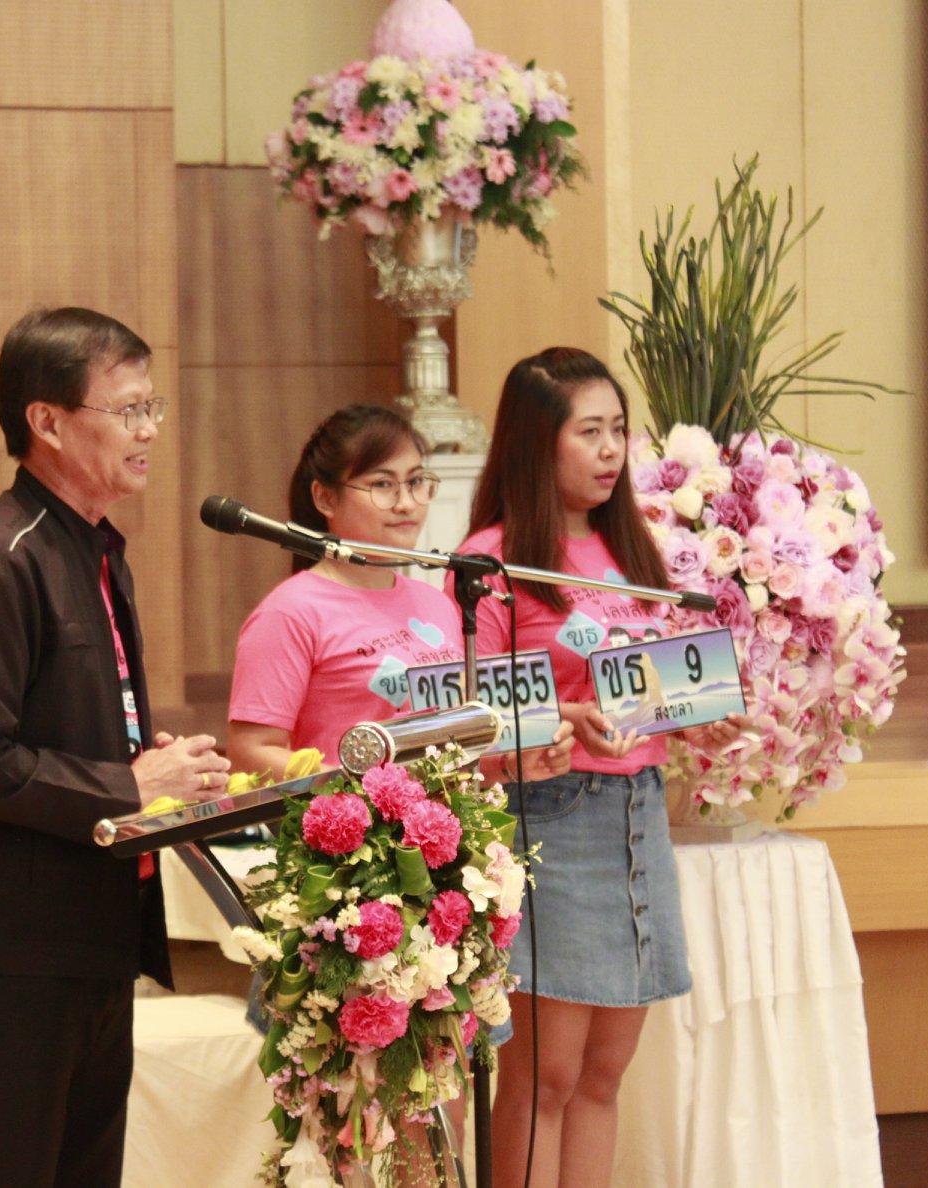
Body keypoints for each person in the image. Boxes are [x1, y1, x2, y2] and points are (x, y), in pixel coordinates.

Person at [0, 307, 230, 1187]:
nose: (149, 430)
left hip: (91, 937)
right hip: (14, 952)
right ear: (46, 422)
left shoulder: (95, 550)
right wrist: (130, 784)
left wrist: (152, 763)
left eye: (152, 407)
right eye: (126, 411)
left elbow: (64, 729)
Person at [461, 348, 742, 1188]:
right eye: (590, 432)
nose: (612, 449)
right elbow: (469, 718)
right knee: (544, 1075)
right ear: (536, 441)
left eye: (619, 429)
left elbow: (646, 687)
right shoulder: (492, 559)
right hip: (549, 819)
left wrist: (700, 713)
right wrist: (555, 720)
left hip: (637, 814)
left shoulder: (630, 547)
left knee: (603, 1073)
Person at [227, 403, 572, 788]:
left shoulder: (436, 603)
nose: (406, 503)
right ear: (325, 498)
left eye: (415, 482)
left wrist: (507, 764)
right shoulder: (290, 611)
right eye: (382, 485)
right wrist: (362, 790)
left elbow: (448, 751)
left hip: (442, 821)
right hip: (349, 823)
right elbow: (250, 752)